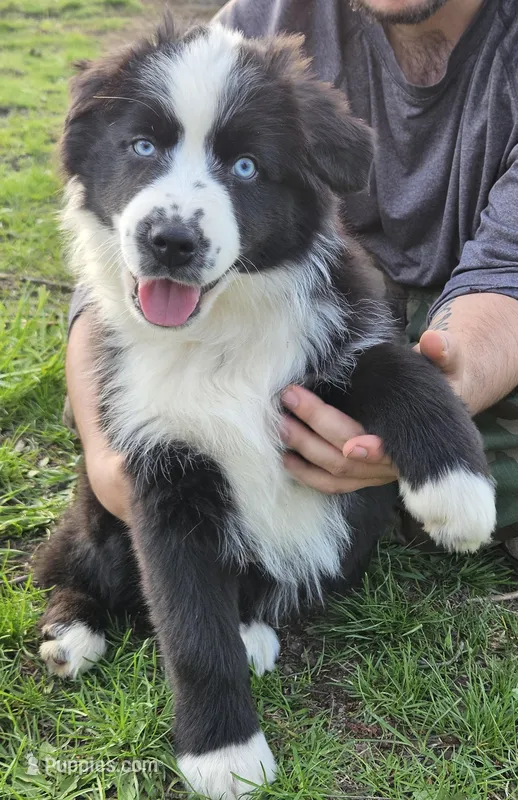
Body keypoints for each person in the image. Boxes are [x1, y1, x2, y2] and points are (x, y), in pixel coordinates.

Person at [66, 0, 518, 549]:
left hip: (463, 313)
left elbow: (507, 271)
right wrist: (105, 452)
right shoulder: (264, 19)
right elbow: (112, 279)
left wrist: (434, 408)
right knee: (136, 394)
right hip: (277, 295)